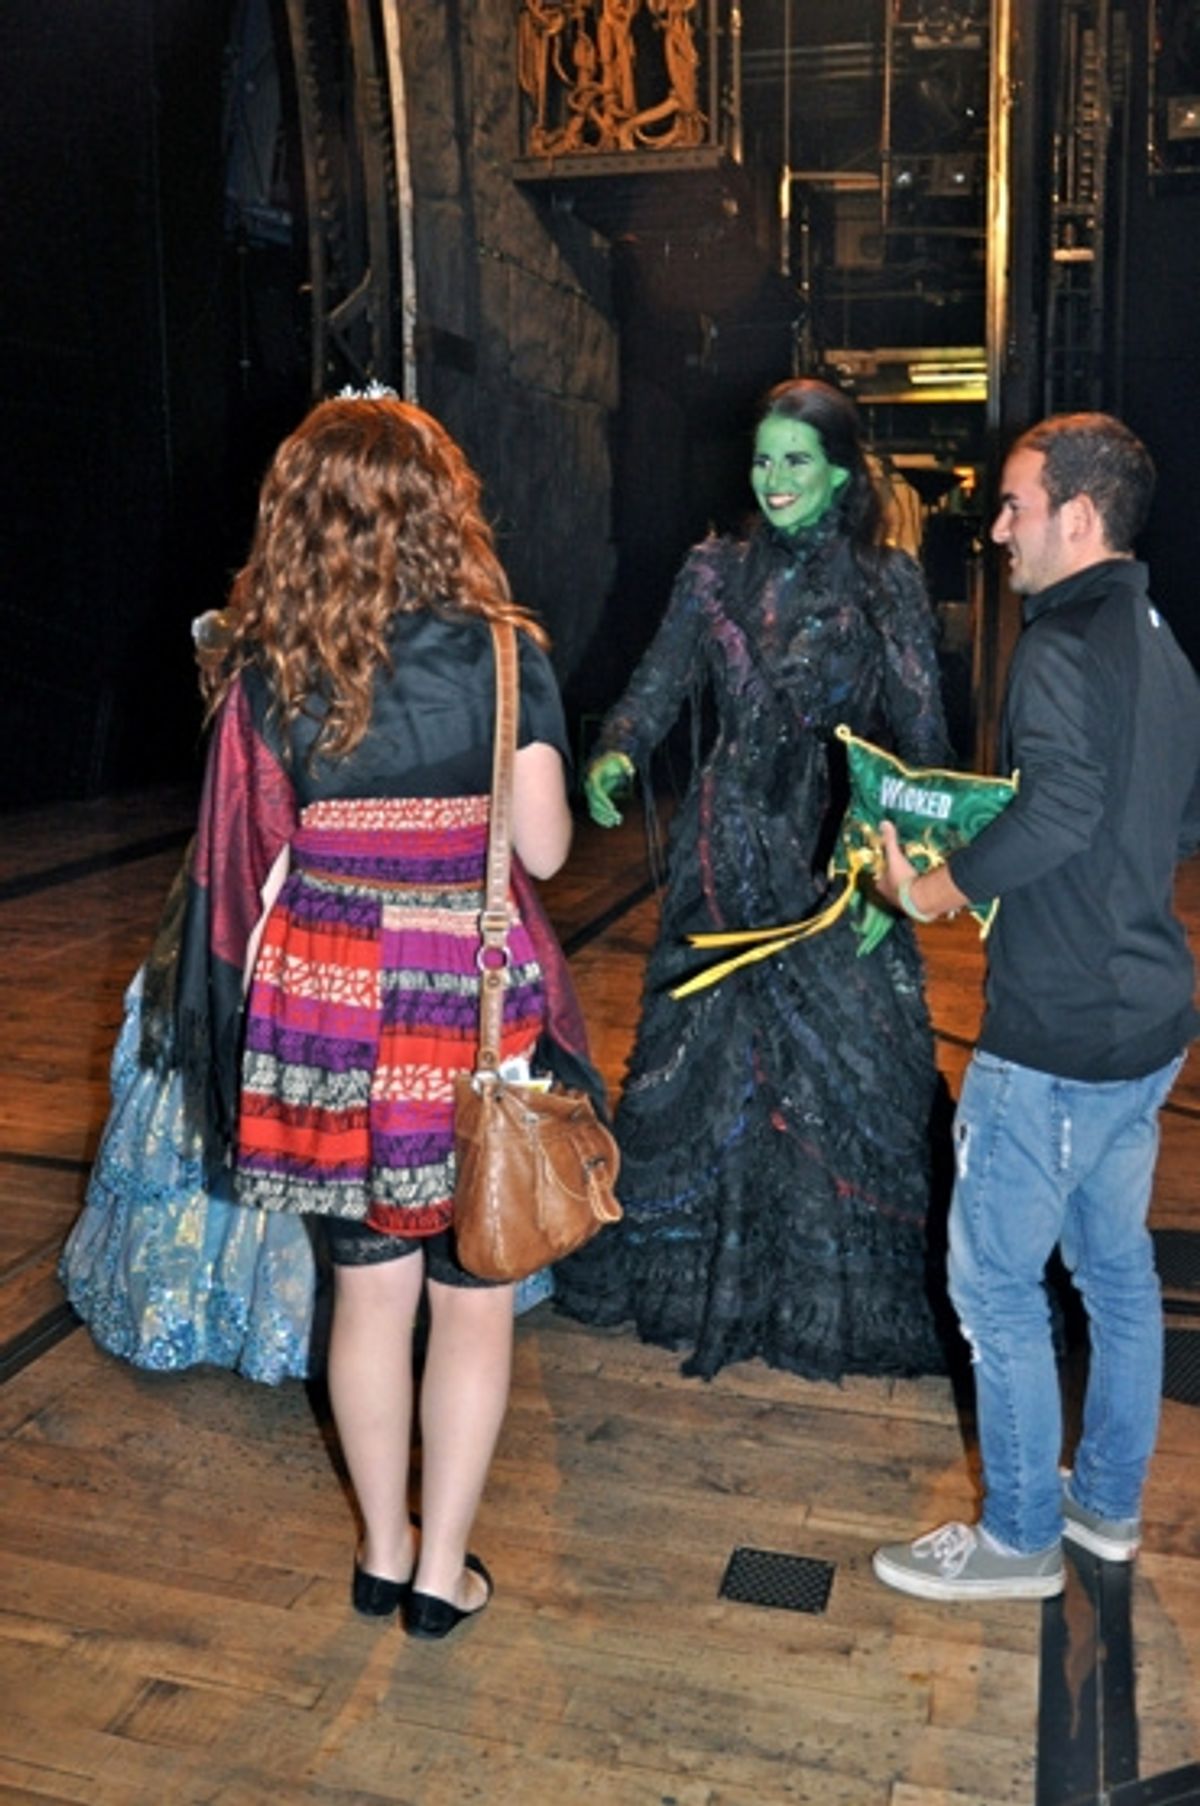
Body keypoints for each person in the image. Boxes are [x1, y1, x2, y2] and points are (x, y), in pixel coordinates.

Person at [174, 389, 577, 1637]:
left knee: (366, 1295)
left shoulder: (271, 662)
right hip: (461, 998)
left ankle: (382, 1548)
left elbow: (253, 854)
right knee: (470, 1293)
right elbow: (550, 855)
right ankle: (441, 1572)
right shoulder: (508, 650)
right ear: (441, 510)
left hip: (328, 994)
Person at [554, 377, 955, 1381]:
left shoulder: (886, 580)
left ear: (838, 474)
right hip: (724, 851)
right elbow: (659, 683)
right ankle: (702, 1284)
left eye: (797, 461)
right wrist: (615, 753)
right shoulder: (710, 572)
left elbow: (922, 735)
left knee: (856, 1067)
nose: (775, 479)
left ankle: (835, 1297)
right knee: (704, 1061)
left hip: (839, 855)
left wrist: (915, 846)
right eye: (765, 458)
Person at [871, 412, 1200, 1602]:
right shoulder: (1159, 645)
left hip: (1058, 1035)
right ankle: (1103, 1508)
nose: (998, 528)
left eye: (1014, 506)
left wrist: (933, 888)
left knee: (994, 1282)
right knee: (1114, 1271)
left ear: (1078, 515)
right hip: (1145, 1017)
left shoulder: (1061, 648)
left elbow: (1060, 812)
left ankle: (1017, 1537)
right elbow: (1170, 821)